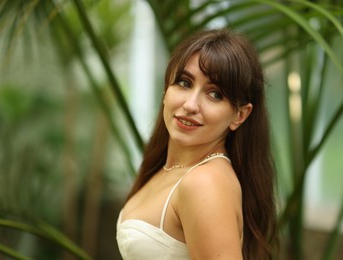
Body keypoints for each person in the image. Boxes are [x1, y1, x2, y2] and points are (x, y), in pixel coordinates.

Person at [116, 28, 277, 260]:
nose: (191, 105)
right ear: (166, 89)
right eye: (184, 82)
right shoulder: (169, 168)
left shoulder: (204, 183)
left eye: (215, 95)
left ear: (239, 116)